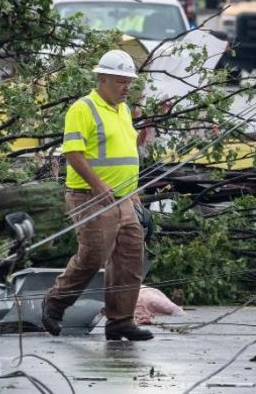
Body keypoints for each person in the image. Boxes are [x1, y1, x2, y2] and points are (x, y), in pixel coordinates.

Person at [42, 49, 152, 342]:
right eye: (120, 81)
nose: (127, 87)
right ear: (102, 79)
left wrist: (134, 194)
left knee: (130, 259)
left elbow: (125, 154)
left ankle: (120, 322)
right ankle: (55, 302)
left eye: (129, 81)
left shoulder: (124, 110)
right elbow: (73, 152)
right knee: (93, 257)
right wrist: (97, 184)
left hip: (124, 198)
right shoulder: (83, 108)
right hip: (90, 196)